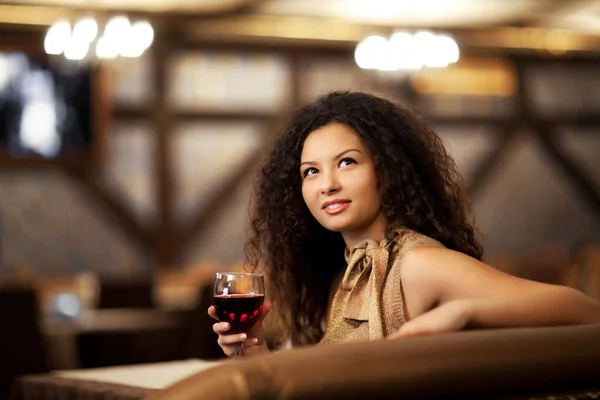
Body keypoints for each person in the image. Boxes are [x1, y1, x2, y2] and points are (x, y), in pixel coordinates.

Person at [208, 91, 600, 358]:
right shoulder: (343, 273)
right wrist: (254, 353)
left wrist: (463, 312)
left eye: (347, 162)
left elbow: (584, 310)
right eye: (310, 171)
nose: (327, 184)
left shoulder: (418, 262)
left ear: (388, 171)